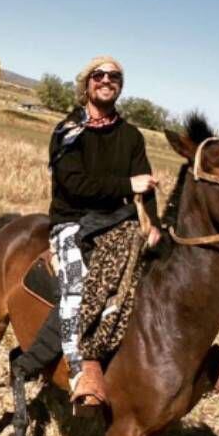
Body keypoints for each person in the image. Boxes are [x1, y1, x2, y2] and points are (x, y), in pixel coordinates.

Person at [46, 56, 161, 412]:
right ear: (87, 84)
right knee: (76, 285)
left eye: (115, 76)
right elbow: (74, 185)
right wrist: (127, 184)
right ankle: (80, 367)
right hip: (73, 220)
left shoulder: (131, 136)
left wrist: (154, 225)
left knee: (160, 277)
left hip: (117, 222)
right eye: (99, 75)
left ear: (120, 86)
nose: (107, 80)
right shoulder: (68, 132)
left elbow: (146, 186)